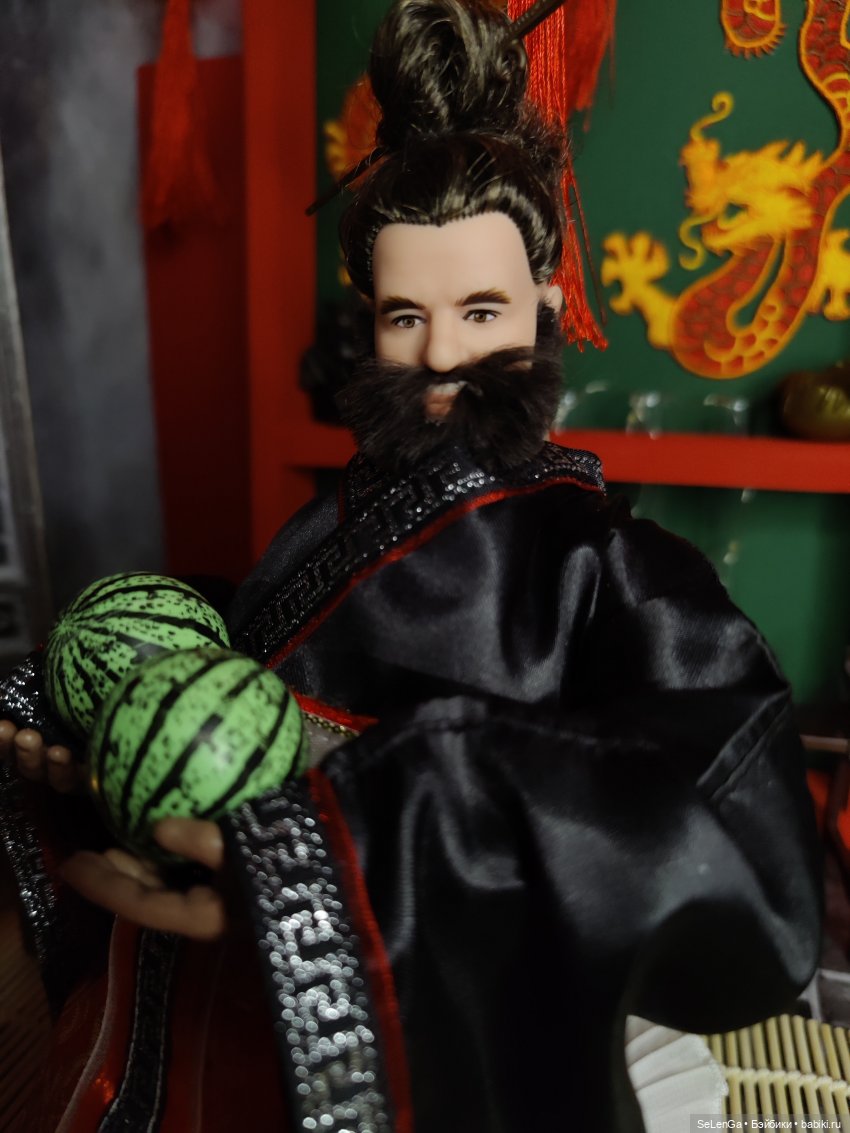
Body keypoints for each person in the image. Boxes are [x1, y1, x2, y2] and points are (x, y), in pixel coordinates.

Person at [0, 1, 822, 1130]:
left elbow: (735, 825)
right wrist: (120, 696)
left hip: (457, 1049)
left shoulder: (607, 571)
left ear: (547, 298)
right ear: (368, 319)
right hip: (252, 1016)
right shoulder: (335, 523)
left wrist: (377, 837)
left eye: (481, 311)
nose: (443, 355)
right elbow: (257, 662)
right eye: (404, 318)